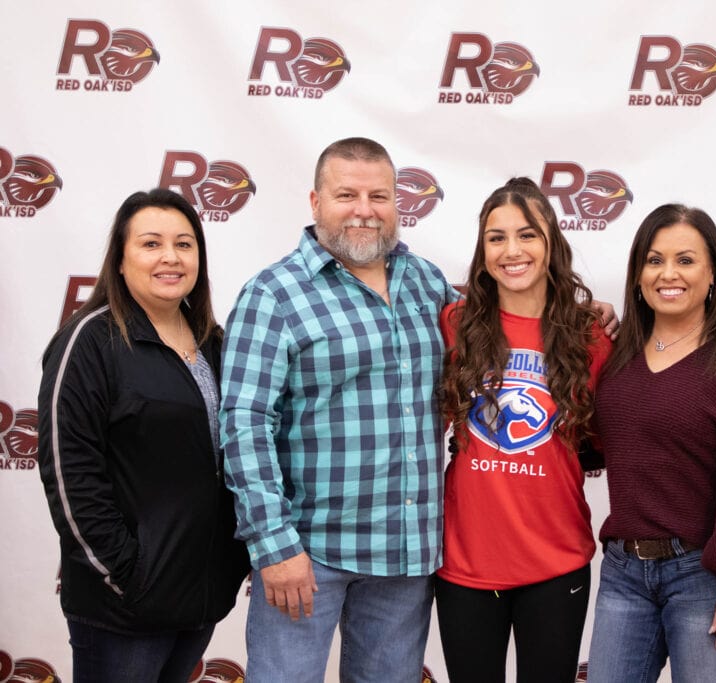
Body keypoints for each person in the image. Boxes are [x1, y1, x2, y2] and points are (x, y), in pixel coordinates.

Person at [219, 137, 457, 682]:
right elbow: (244, 424)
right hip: (308, 554)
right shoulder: (273, 294)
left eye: (379, 196)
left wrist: (586, 313)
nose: (364, 210)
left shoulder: (427, 281)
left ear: (398, 203)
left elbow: (501, 334)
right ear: (315, 201)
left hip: (405, 553)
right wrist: (273, 545)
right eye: (346, 194)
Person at [36, 189, 249, 683]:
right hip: (124, 609)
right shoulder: (89, 341)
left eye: (184, 244)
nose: (170, 257)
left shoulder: (214, 343)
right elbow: (69, 475)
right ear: (121, 257)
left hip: (201, 597)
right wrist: (127, 575)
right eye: (151, 244)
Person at [587, 204, 716, 683]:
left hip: (703, 576)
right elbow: (596, 443)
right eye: (654, 260)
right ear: (638, 274)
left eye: (685, 260)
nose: (668, 274)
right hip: (623, 573)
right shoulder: (617, 354)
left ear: (713, 274)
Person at [435, 178, 613, 682]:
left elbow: (608, 440)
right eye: (496, 237)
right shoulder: (453, 324)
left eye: (527, 234)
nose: (512, 250)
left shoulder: (591, 335)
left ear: (551, 242)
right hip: (466, 562)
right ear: (483, 250)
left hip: (555, 562)